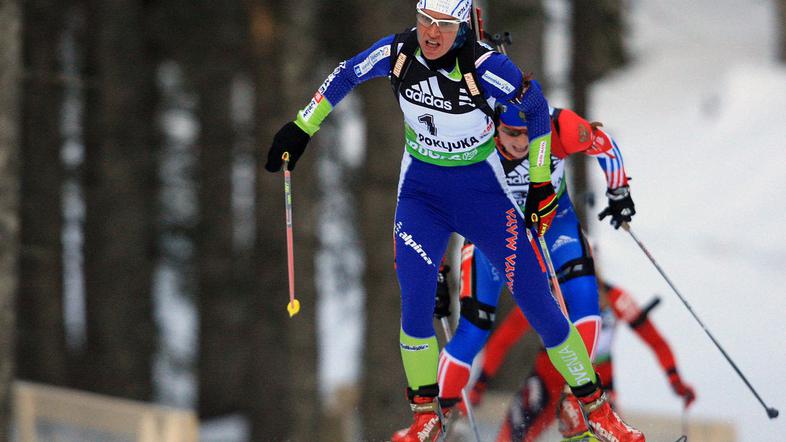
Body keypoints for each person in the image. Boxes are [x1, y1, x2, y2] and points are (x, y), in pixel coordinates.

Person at [264, 1, 642, 440]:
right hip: (421, 196)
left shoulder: (485, 65)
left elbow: (537, 108)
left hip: (481, 194)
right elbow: (347, 72)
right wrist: (302, 127)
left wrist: (540, 180)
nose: (431, 32)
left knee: (539, 302)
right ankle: (425, 416)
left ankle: (596, 410)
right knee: (416, 303)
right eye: (425, 19)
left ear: (462, 26)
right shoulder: (399, 52)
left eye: (444, 24)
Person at [433, 105, 640, 441]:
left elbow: (604, 145)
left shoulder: (561, 127)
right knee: (474, 328)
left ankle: (577, 404)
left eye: (528, 134)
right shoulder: (470, 138)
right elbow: (435, 206)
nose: (520, 143)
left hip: (554, 223)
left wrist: (619, 192)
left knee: (583, 296)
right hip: (492, 233)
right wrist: (438, 267)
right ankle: (435, 420)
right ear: (494, 126)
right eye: (511, 133)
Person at [468, 279, 696, 442]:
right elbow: (504, 338)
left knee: (615, 434)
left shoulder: (616, 298)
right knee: (512, 436)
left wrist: (675, 379)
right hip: (548, 383)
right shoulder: (547, 296)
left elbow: (656, 341)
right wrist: (480, 382)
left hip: (595, 386)